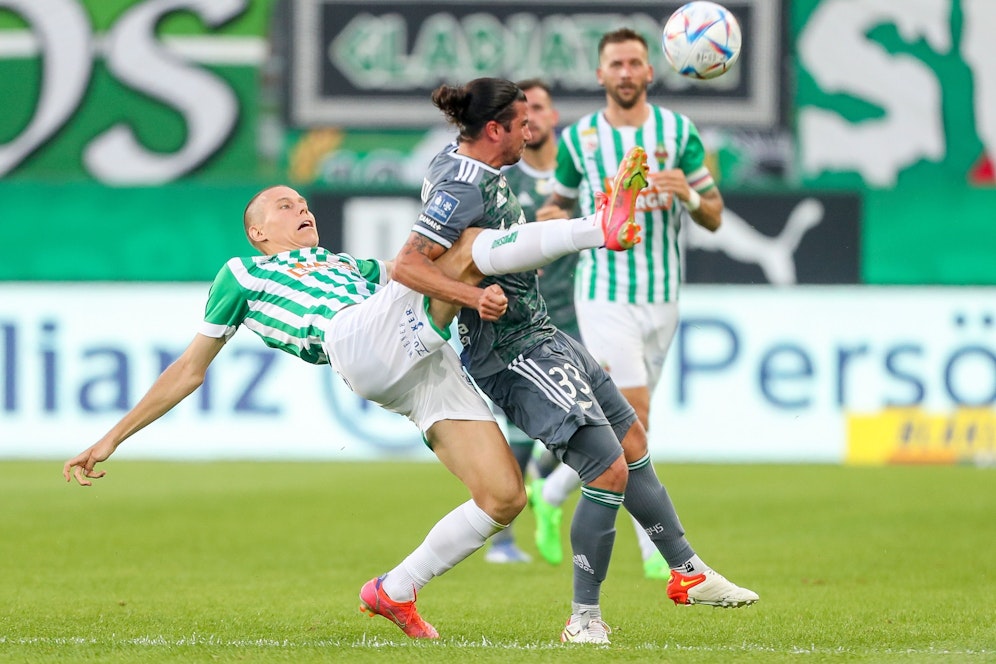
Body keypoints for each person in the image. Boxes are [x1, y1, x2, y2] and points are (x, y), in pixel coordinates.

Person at [62, 175, 641, 638]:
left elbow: (426, 270)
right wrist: (112, 438)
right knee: (460, 247)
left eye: (304, 203)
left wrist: (499, 263)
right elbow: (189, 368)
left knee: (504, 497)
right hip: (355, 343)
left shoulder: (348, 264)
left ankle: (395, 589)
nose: (301, 209)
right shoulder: (243, 273)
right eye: (285, 207)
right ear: (259, 233)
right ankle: (597, 226)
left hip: (420, 367)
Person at [392, 77, 757, 646]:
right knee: (607, 468)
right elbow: (408, 265)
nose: (530, 130)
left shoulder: (472, 166)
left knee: (632, 442)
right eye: (520, 122)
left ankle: (689, 572)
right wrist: (472, 296)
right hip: (509, 350)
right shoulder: (461, 187)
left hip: (542, 331)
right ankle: (583, 620)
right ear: (494, 130)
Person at [533, 26, 734, 600]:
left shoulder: (678, 133)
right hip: (604, 293)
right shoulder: (580, 142)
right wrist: (547, 224)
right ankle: (665, 554)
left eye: (634, 63)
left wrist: (689, 196)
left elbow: (715, 214)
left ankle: (549, 497)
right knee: (633, 415)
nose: (624, 72)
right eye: (614, 64)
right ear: (600, 75)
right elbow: (559, 205)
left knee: (634, 426)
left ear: (651, 71)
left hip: (664, 296)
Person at [489, 78, 670, 580]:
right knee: (533, 431)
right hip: (530, 325)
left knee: (618, 426)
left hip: (589, 313)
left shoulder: (576, 177)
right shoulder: (509, 184)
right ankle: (506, 530)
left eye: (542, 108)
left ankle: (551, 497)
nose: (535, 118)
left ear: (553, 116)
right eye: (527, 111)